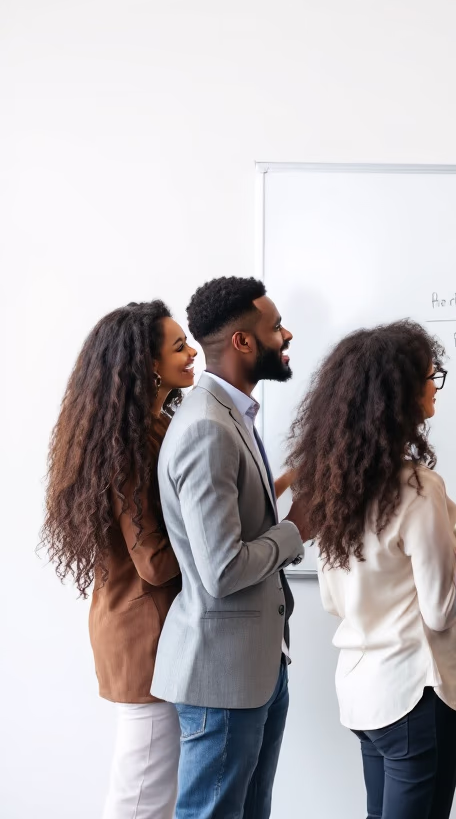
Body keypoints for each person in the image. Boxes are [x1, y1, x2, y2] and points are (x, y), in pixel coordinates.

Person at [288, 321, 456, 819]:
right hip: (415, 693)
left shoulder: (333, 487)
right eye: (429, 376)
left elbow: (332, 600)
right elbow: (442, 610)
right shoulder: (418, 489)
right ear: (400, 395)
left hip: (362, 690)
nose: (434, 385)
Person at [152, 276, 308, 819]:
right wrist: (297, 528)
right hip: (223, 678)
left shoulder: (230, 416)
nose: (287, 335)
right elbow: (221, 570)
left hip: (258, 666)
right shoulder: (207, 428)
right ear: (243, 341)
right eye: (276, 326)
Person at [41, 301, 195, 819]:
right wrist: (222, 545)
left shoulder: (149, 431)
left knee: (149, 794)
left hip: (138, 626)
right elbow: (154, 562)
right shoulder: (132, 447)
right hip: (142, 636)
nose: (193, 353)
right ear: (149, 364)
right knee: (141, 798)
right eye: (179, 347)